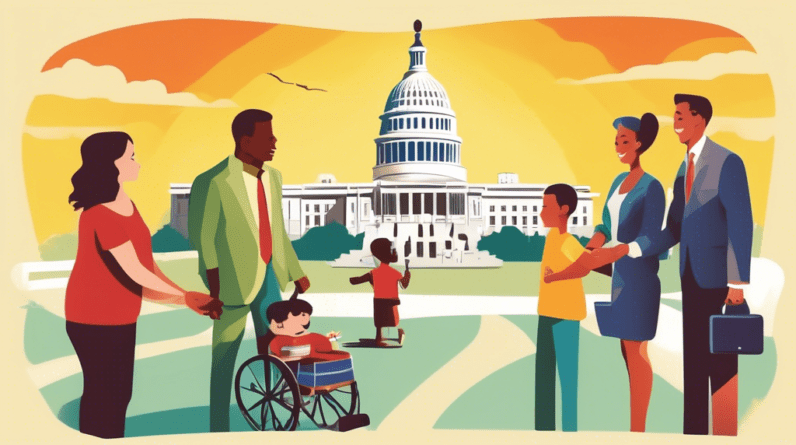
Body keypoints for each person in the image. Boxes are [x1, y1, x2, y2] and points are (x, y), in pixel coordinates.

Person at [611, 94, 753, 436]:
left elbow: (741, 222)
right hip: (690, 276)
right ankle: (693, 437)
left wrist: (738, 283)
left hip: (720, 282)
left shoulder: (727, 162)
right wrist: (630, 249)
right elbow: (674, 228)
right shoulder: (682, 167)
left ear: (699, 120)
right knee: (694, 366)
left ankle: (724, 435)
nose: (673, 121)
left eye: (679, 115)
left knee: (722, 366)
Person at [64, 131, 221, 439]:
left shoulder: (127, 204)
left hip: (121, 317)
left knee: (119, 395)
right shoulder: (99, 214)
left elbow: (149, 269)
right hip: (93, 320)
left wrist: (185, 300)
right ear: (112, 164)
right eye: (130, 156)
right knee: (104, 396)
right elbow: (134, 271)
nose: (137, 162)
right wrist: (187, 295)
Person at [188, 109, 310, 432]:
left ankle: (274, 417)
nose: (274, 142)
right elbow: (204, 241)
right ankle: (219, 427)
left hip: (269, 275)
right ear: (245, 140)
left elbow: (278, 229)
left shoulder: (274, 177)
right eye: (267, 136)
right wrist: (213, 291)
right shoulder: (212, 181)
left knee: (276, 350)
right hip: (230, 285)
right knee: (224, 358)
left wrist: (296, 271)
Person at [545, 113, 665, 432]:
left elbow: (652, 237)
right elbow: (605, 226)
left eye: (624, 141)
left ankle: (638, 428)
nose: (618, 147)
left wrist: (618, 250)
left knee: (636, 351)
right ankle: (634, 424)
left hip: (639, 277)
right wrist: (592, 246)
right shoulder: (616, 182)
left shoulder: (651, 187)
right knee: (625, 351)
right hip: (620, 277)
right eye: (616, 142)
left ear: (640, 143)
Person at [349, 238, 410, 347]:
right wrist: (407, 276)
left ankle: (379, 338)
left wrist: (351, 279)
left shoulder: (374, 272)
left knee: (379, 322)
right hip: (392, 300)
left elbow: (358, 280)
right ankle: (398, 331)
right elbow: (404, 285)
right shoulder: (395, 272)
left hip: (379, 300)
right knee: (393, 320)